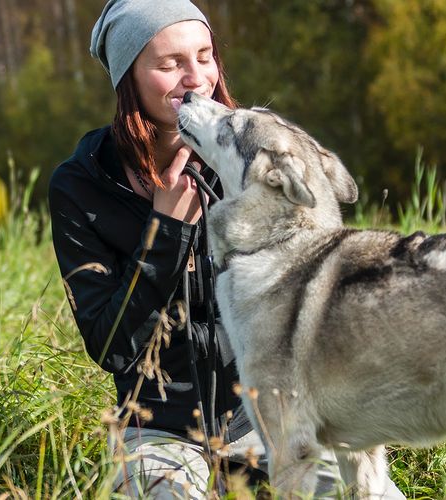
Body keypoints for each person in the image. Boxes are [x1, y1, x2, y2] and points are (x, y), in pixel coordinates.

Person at [49, 1, 406, 498]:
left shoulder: (249, 154)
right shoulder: (83, 185)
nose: (197, 79)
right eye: (170, 64)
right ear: (128, 78)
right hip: (158, 430)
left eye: (205, 56)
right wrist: (166, 231)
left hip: (271, 413)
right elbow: (111, 347)